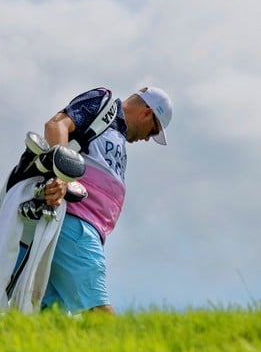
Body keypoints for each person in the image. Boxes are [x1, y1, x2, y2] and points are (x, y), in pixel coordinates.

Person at [39, 86, 173, 314]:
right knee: (99, 313)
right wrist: (60, 175)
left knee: (53, 320)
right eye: (153, 131)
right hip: (76, 224)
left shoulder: (118, 136)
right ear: (147, 112)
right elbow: (56, 125)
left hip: (80, 227)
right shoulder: (103, 103)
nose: (148, 139)